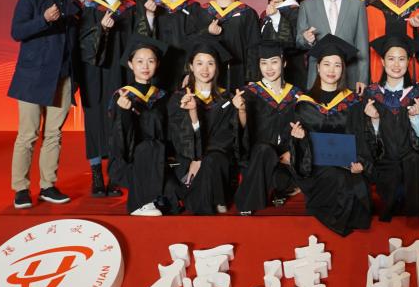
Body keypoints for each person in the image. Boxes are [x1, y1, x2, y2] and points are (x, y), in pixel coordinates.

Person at [8, 0, 82, 209]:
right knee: (28, 134)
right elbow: (17, 32)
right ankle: (21, 188)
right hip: (33, 77)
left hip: (62, 77)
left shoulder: (74, 3)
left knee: (54, 135)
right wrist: (43, 19)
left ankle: (48, 185)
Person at [290, 35, 372, 236]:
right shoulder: (304, 103)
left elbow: (361, 136)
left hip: (347, 164)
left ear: (343, 69)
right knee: (337, 178)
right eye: (326, 64)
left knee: (353, 183)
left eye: (337, 65)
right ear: (318, 67)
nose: (331, 70)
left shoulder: (353, 101)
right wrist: (298, 138)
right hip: (315, 167)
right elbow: (298, 149)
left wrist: (361, 162)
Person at [77, 0, 138, 198]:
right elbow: (82, 43)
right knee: (94, 121)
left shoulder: (131, 7)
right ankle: (96, 176)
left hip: (122, 72)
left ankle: (115, 175)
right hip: (95, 73)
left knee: (119, 120)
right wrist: (100, 29)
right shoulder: (90, 7)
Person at [168, 37, 240, 215]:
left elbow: (229, 138)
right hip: (188, 158)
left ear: (217, 67)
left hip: (217, 160)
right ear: (191, 67)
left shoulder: (228, 99)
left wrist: (201, 158)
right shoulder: (179, 98)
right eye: (199, 63)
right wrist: (195, 157)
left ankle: (213, 199)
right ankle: (215, 199)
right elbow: (178, 138)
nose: (205, 69)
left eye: (210, 63)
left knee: (213, 159)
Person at [362, 35, 419, 221]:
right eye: (391, 59)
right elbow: (367, 140)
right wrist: (374, 120)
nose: (396, 64)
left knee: (415, 161)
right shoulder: (371, 94)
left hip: (412, 156)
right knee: (390, 174)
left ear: (408, 62)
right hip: (384, 157)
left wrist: (416, 118)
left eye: (401, 59)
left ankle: (415, 219)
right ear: (383, 62)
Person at [234, 42, 305, 214]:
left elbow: (303, 129)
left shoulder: (297, 95)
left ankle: (282, 188)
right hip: (258, 158)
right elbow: (240, 131)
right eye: (263, 62)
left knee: (282, 179)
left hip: (285, 158)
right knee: (263, 150)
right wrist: (241, 110)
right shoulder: (249, 93)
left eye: (274, 62)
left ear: (284, 63)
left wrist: (292, 151)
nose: (269, 68)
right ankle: (247, 205)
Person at [109, 35, 170, 216]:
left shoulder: (163, 95)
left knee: (174, 202)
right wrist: (123, 112)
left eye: (151, 61)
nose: (145, 66)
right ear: (130, 64)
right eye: (140, 61)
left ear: (157, 64)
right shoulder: (122, 95)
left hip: (160, 153)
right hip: (134, 154)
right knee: (147, 148)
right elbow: (118, 133)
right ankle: (142, 202)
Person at [137, 0, 208, 92]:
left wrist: (191, 72)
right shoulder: (145, 3)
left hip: (182, 70)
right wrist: (149, 15)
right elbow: (139, 39)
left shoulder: (192, 7)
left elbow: (197, 42)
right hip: (153, 69)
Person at [296, 0, 370, 93]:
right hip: (317, 77)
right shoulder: (307, 5)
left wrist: (363, 78)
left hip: (349, 75)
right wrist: (307, 40)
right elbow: (299, 41)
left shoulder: (357, 5)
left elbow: (362, 46)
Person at [200, 0, 262, 91]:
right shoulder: (201, 12)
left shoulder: (247, 13)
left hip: (239, 75)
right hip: (208, 76)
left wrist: (252, 78)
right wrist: (207, 32)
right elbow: (194, 43)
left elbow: (254, 48)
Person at [260, 0, 307, 89]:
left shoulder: (296, 11)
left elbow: (291, 43)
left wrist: (276, 17)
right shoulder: (265, 13)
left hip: (292, 73)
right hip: (268, 74)